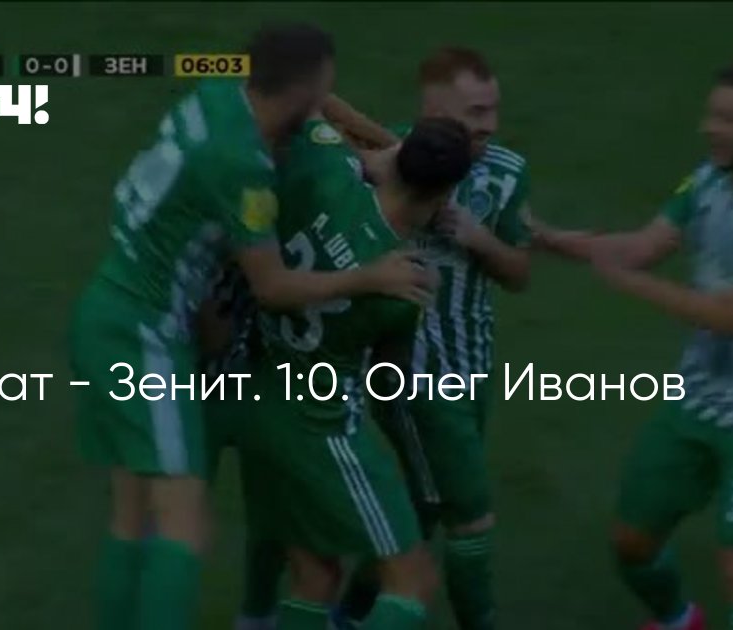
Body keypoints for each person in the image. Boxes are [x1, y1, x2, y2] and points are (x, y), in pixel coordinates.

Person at [69, 23, 433, 630]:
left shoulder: (220, 90)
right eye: (318, 93)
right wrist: (370, 276)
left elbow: (314, 110)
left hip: (109, 306)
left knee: (134, 517)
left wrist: (377, 153)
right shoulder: (244, 166)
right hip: (145, 333)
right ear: (296, 91)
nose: (323, 106)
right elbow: (272, 287)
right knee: (183, 524)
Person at [535, 54, 733, 630]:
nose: (709, 128)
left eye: (728, 119)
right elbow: (642, 247)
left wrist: (634, 283)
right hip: (694, 402)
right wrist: (544, 237)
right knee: (632, 541)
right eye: (711, 115)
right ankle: (677, 621)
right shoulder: (705, 181)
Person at [235, 116, 474, 630]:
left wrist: (370, 153)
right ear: (445, 194)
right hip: (321, 426)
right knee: (412, 581)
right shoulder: (404, 284)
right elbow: (389, 378)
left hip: (258, 395)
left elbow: (306, 106)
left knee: (315, 576)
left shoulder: (325, 166)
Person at [337, 46, 532, 630]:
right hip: (411, 371)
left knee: (421, 508)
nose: (490, 124)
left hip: (474, 365)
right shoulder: (394, 159)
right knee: (471, 516)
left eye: (493, 109)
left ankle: (348, 614)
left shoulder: (507, 172)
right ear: (434, 112)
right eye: (475, 112)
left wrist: (478, 238)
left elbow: (519, 273)